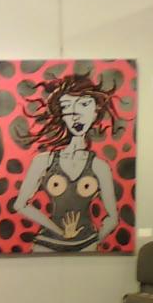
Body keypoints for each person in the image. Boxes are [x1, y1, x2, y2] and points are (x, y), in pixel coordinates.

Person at [14, 75, 120, 252]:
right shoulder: (44, 161)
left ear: (96, 111)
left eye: (84, 104)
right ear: (61, 114)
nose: (75, 115)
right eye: (67, 106)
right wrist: (60, 232)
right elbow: (20, 204)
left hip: (87, 246)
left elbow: (113, 218)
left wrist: (93, 242)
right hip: (46, 245)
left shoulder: (99, 167)